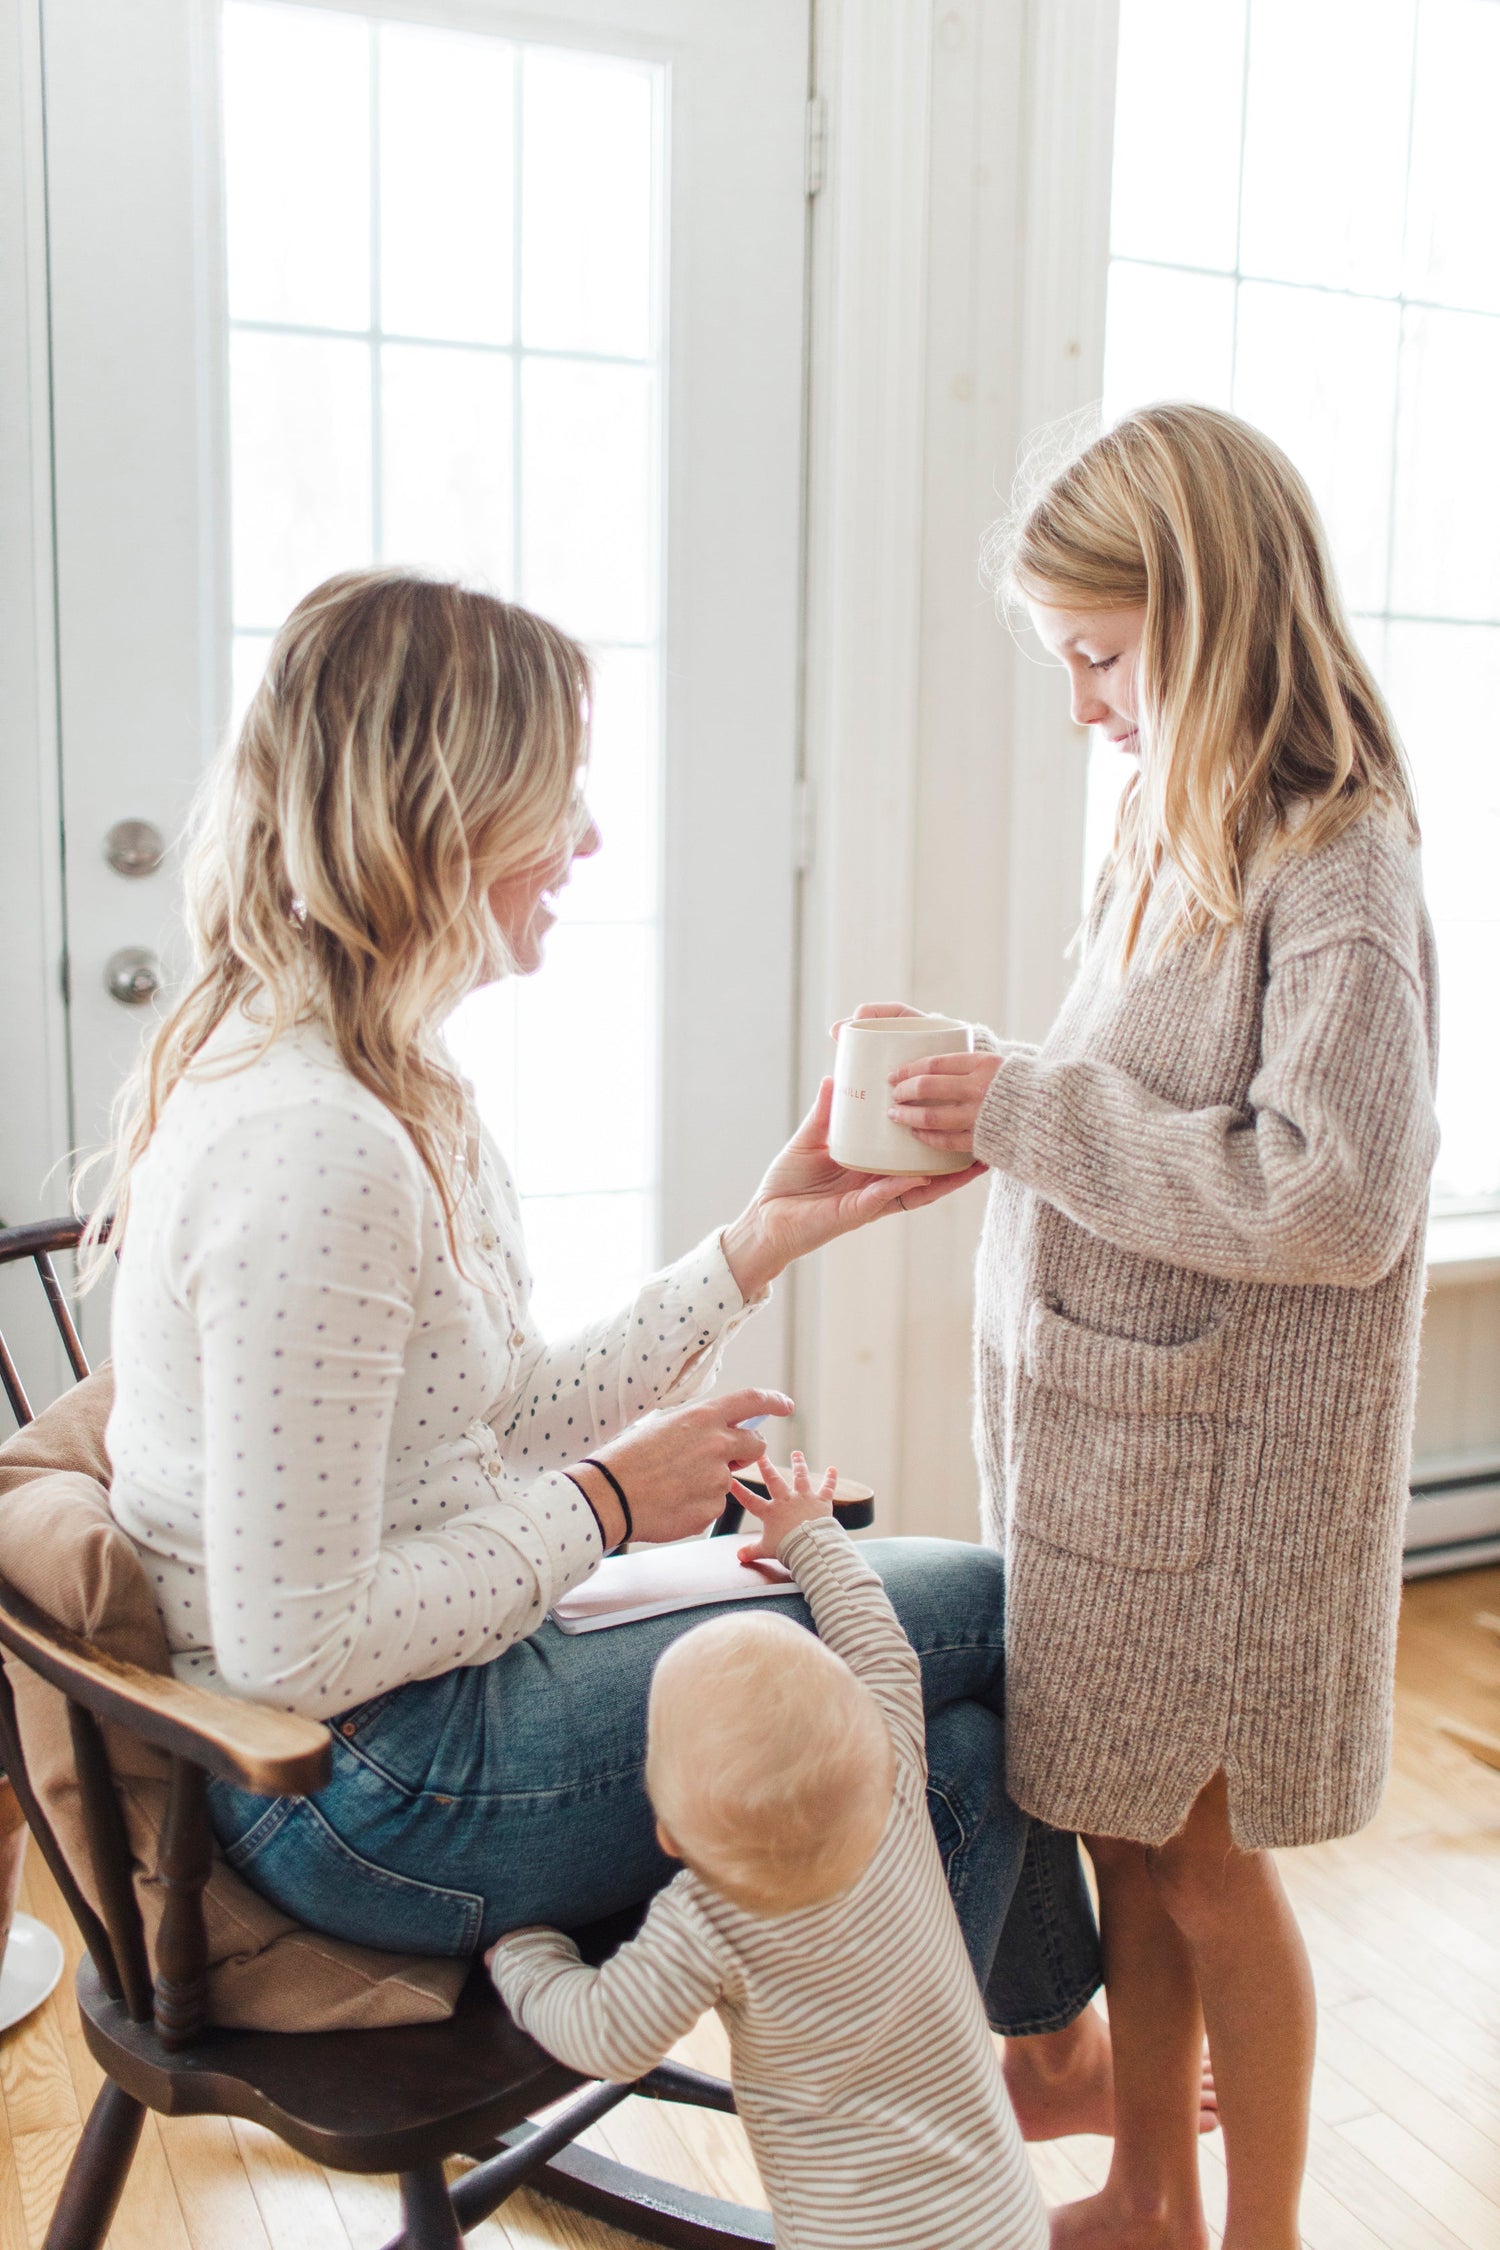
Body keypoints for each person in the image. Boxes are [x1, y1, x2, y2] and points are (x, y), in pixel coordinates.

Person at [83, 566, 1107, 2125]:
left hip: (421, 1702)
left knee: (951, 1748)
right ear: (445, 812)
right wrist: (611, 1506)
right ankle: (954, 2111)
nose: (591, 838)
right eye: (560, 791)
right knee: (984, 1608)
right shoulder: (315, 1146)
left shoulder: (387, 1076)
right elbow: (299, 1650)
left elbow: (490, 1416)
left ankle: (965, 2107)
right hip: (354, 1788)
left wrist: (760, 1237)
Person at [877, 404, 1438, 2249]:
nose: (1084, 706)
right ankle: (1147, 2194)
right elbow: (1139, 1090)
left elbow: (1335, 1194)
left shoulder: (1337, 861)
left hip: (1224, 1487)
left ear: (1208, 615)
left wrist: (1030, 1111)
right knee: (1125, 1832)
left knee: (1204, 1859)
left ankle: (1255, 2232)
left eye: (1102, 658)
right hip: (1115, 1461)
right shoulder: (1164, 821)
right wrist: (995, 1102)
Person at [490, 1452, 1049, 2250]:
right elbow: (879, 1645)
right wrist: (809, 1535)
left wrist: (524, 1955)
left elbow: (608, 2036)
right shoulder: (892, 1786)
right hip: (1004, 2219)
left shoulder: (708, 1916)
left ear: (667, 1833)